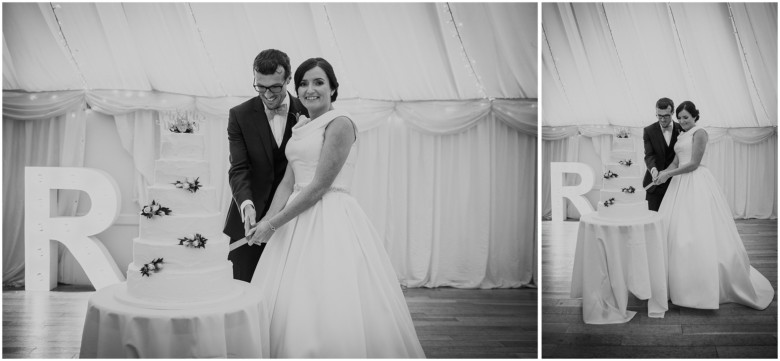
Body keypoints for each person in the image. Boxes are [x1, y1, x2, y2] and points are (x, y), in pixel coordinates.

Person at [247, 58, 425, 358]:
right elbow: (288, 183)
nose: (309, 89)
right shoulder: (302, 125)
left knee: (327, 295)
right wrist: (266, 220)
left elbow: (318, 187)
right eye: (303, 82)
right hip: (293, 218)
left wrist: (274, 224)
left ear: (333, 88)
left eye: (318, 82)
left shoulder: (340, 122)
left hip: (329, 215)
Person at [653, 101, 774, 310]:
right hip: (679, 183)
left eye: (686, 118)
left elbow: (693, 164)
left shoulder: (700, 133)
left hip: (695, 181)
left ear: (695, 117)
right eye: (680, 118)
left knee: (699, 229)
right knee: (674, 230)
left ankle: (703, 284)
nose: (682, 121)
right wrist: (663, 174)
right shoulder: (682, 135)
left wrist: (669, 174)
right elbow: (676, 161)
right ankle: (675, 280)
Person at [223, 49, 308, 282]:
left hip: (294, 220)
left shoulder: (308, 112)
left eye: (275, 87)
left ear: (288, 80)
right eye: (260, 86)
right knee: (243, 288)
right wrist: (247, 205)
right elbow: (238, 167)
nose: (267, 94)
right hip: (249, 223)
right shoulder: (239, 115)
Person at [643, 97, 683, 211]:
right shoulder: (648, 130)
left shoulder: (682, 129)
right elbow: (649, 155)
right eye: (659, 115)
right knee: (652, 218)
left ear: (673, 112)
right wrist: (654, 170)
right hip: (655, 184)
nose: (662, 119)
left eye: (666, 116)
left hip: (676, 183)